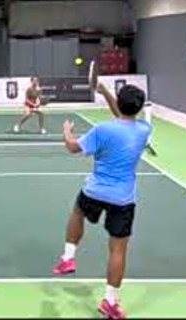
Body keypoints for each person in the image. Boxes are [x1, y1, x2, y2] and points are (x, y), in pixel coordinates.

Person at [52, 82, 151, 319]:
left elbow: (73, 148)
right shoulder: (143, 130)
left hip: (95, 191)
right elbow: (124, 117)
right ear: (138, 108)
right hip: (124, 199)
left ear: (120, 101)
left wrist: (66, 131)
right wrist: (106, 92)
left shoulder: (102, 130)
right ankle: (110, 301)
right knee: (118, 251)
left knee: (78, 212)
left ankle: (68, 257)